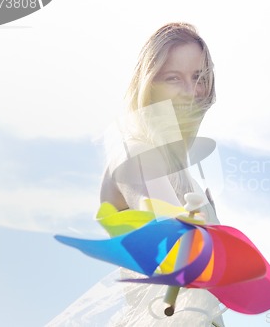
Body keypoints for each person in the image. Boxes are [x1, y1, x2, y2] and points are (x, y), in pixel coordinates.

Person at [47, 23, 226, 327]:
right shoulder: (136, 151)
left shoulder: (187, 174)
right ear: (149, 85)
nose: (190, 91)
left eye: (198, 77)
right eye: (173, 78)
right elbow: (166, 226)